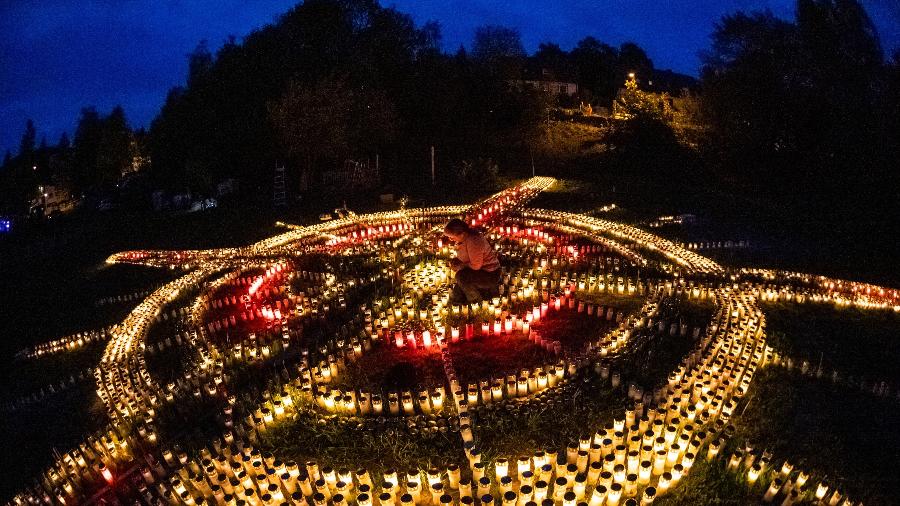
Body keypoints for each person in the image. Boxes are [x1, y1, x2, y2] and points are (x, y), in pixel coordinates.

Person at [443, 218, 500, 303]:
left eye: (452, 237)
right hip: (479, 271)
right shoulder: (464, 238)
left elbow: (476, 266)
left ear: (462, 234)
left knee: (461, 277)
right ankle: (461, 301)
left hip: (489, 274)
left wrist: (461, 266)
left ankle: (476, 302)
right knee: (457, 293)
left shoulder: (473, 241)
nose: (451, 240)